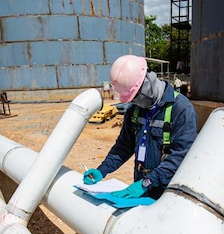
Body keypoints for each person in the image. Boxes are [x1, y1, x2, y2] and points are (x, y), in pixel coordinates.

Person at [83, 55, 197, 200]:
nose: (134, 101)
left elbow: (180, 157)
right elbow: (124, 146)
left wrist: (147, 182)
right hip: (142, 184)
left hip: (167, 191)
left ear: (147, 81)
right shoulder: (134, 110)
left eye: (135, 96)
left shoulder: (181, 109)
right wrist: (102, 170)